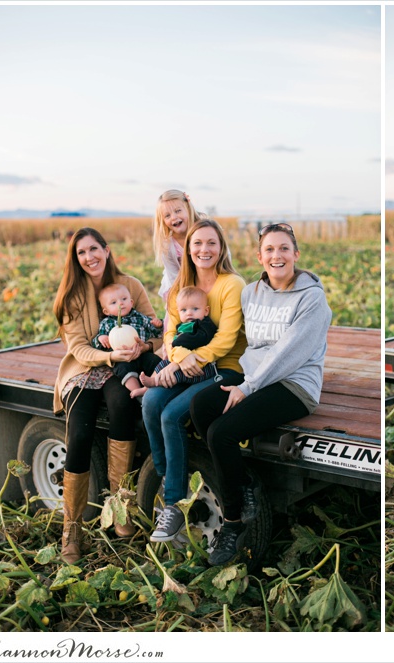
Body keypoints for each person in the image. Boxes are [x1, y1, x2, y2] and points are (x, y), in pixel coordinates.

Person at [190, 223, 332, 565]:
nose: (276, 255)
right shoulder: (251, 292)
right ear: (259, 256)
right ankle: (246, 485)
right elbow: (244, 341)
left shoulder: (312, 299)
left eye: (284, 249)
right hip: (252, 375)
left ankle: (234, 524)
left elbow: (287, 354)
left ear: (296, 255)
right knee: (199, 406)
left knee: (221, 433)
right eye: (269, 249)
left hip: (293, 384)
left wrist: (247, 387)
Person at [52, 228, 163, 563]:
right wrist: (111, 356)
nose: (89, 257)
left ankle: (120, 508)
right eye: (81, 253)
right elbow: (79, 349)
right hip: (85, 369)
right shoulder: (72, 296)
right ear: (76, 259)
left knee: (123, 406)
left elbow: (156, 332)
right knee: (81, 433)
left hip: (123, 367)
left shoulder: (131, 286)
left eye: (94, 249)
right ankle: (71, 528)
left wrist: (144, 346)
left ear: (106, 249)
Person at [141, 218, 246, 543]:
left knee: (172, 415)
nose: (204, 249)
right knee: (150, 402)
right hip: (185, 366)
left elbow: (226, 339)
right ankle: (168, 479)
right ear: (187, 249)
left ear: (221, 248)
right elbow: (170, 334)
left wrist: (189, 360)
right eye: (197, 243)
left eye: (211, 243)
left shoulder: (232, 284)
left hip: (225, 368)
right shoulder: (180, 287)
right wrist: (177, 360)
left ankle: (172, 503)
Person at [139, 286, 220, 392]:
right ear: (178, 312)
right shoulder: (182, 326)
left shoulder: (204, 324)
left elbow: (201, 338)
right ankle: (148, 385)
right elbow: (171, 339)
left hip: (203, 367)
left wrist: (177, 343)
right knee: (164, 363)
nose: (189, 313)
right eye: (184, 310)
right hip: (182, 361)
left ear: (206, 311)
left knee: (177, 373)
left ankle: (156, 382)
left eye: (195, 309)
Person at [91, 282, 164, 397]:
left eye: (124, 299)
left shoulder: (140, 318)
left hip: (141, 353)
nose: (120, 303)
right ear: (106, 311)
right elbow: (96, 343)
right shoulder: (107, 323)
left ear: (131, 302)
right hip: (121, 358)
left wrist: (157, 325)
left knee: (155, 361)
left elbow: (155, 333)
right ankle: (138, 392)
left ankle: (157, 385)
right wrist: (101, 338)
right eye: (114, 302)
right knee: (124, 370)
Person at [152, 189, 210, 304]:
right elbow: (174, 277)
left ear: (188, 209)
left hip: (208, 279)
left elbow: (223, 254)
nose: (173, 217)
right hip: (180, 286)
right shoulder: (168, 246)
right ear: (162, 221)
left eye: (178, 211)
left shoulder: (206, 231)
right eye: (167, 216)